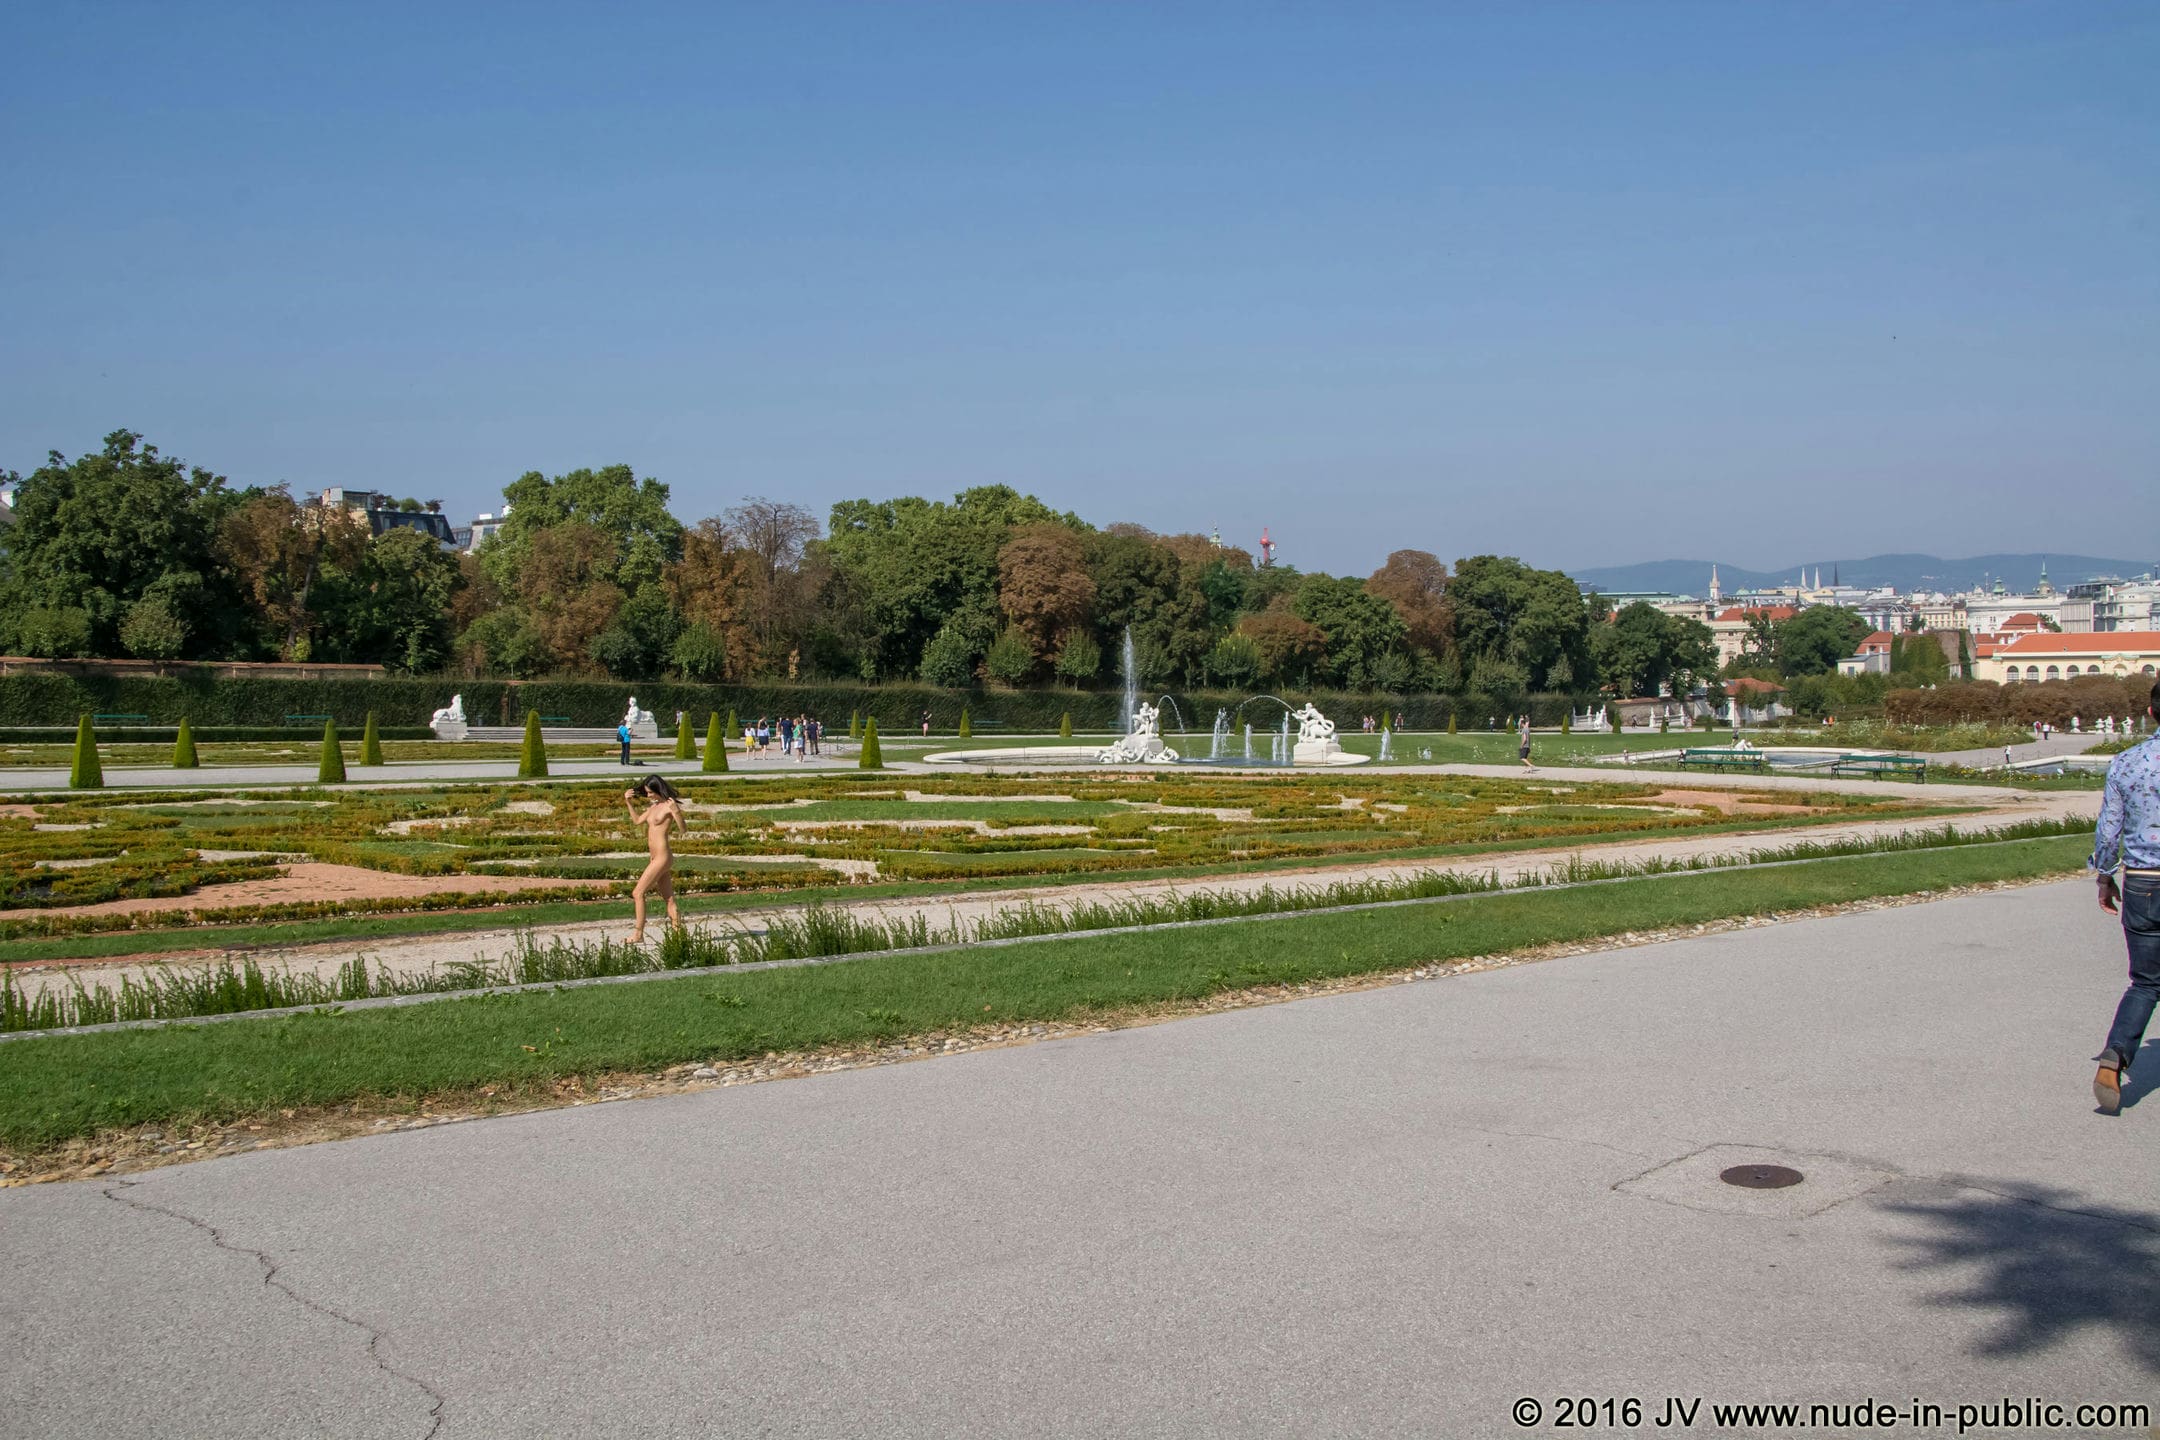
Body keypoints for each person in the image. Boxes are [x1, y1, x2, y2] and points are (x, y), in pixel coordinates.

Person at [2091, 679, 2160, 1115]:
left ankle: (2115, 1056)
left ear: (2151, 713)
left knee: (2146, 982)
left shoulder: (2127, 762)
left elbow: (2108, 830)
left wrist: (2104, 876)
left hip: (2143, 883)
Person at [622, 775, 684, 943]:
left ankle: (638, 934)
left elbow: (683, 829)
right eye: (647, 792)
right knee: (669, 898)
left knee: (638, 893)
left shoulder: (669, 806)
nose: (648, 795)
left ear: (658, 790)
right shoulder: (653, 807)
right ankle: (679, 936)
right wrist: (628, 802)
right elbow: (637, 821)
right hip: (655, 858)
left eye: (650, 792)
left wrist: (676, 812)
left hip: (662, 857)